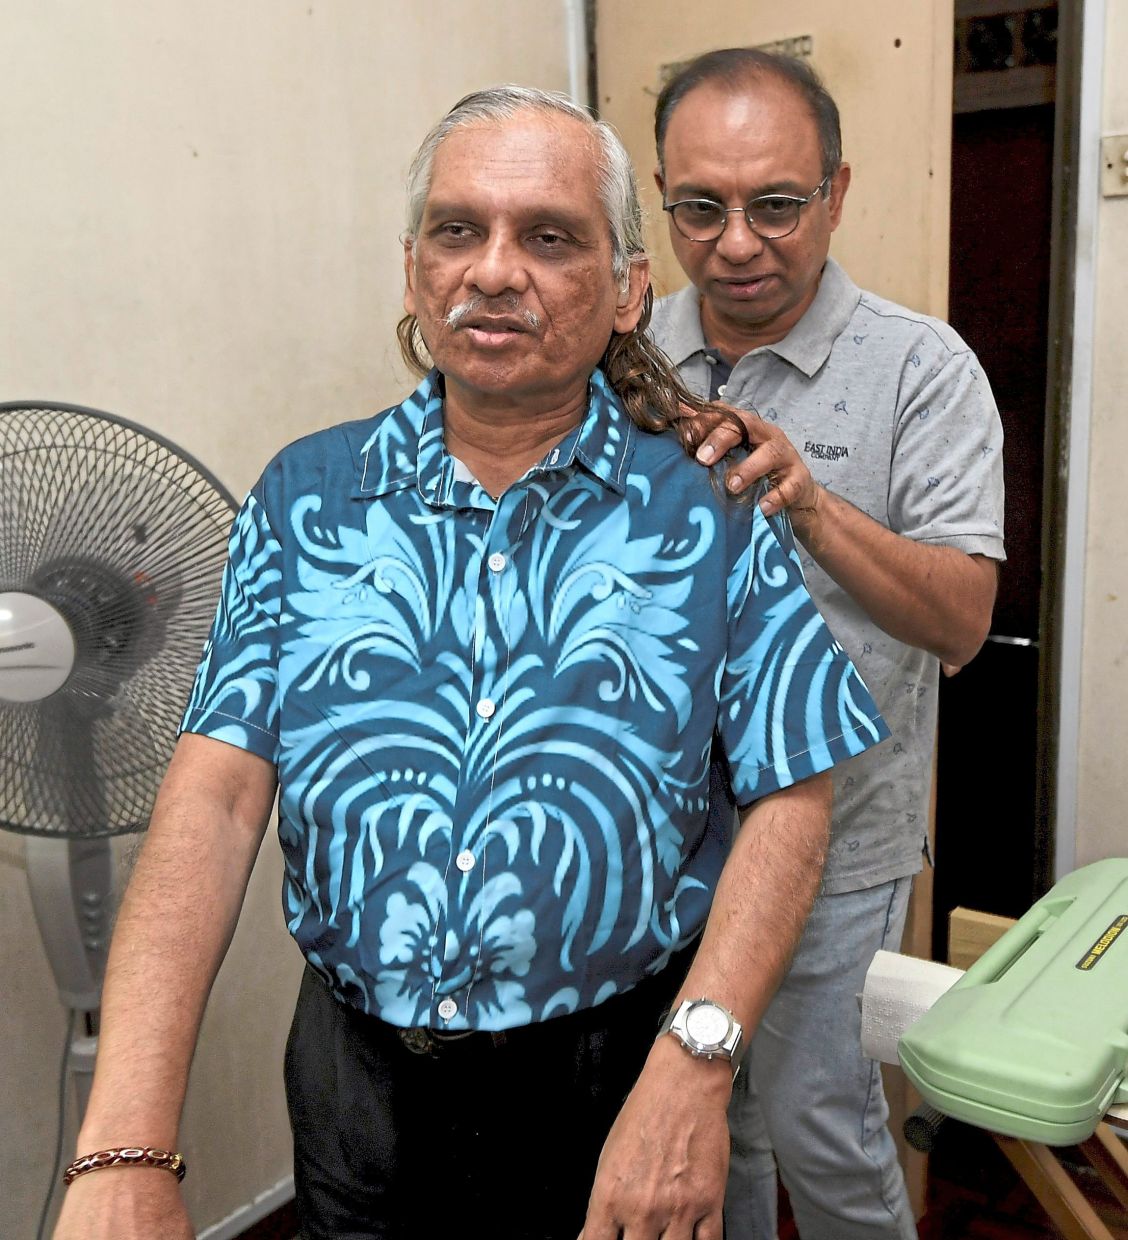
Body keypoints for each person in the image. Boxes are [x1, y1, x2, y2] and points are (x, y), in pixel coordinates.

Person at [54, 85, 889, 1240]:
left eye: (549, 237)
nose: (495, 270)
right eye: (459, 230)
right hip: (357, 1089)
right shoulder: (307, 498)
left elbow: (795, 789)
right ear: (413, 271)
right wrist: (127, 1145)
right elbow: (216, 794)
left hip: (611, 1082)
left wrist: (694, 1066)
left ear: (629, 287)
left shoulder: (711, 500)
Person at [650, 48, 1005, 1240]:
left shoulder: (921, 369)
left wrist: (809, 502)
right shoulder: (626, 358)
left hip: (842, 846)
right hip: (665, 846)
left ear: (838, 194)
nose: (737, 242)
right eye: (700, 207)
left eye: (777, 204)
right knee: (711, 1132)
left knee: (826, 1130)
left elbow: (961, 619)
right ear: (662, 201)